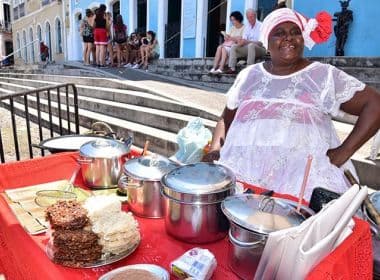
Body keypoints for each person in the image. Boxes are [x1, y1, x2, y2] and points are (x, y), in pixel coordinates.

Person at [202, 8, 380, 200]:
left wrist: (343, 152)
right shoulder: (248, 75)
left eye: (295, 32)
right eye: (279, 33)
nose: (289, 38)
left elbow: (374, 104)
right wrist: (215, 149)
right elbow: (225, 119)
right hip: (243, 180)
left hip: (302, 186)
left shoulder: (322, 76)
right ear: (266, 42)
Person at [226, 9, 266, 74]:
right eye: (248, 18)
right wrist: (240, 42)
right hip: (249, 48)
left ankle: (249, 68)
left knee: (251, 45)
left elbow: (260, 43)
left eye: (251, 17)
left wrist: (247, 42)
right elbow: (244, 40)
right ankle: (232, 68)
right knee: (234, 46)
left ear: (255, 16)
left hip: (261, 49)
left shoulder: (261, 26)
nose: (250, 19)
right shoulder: (247, 27)